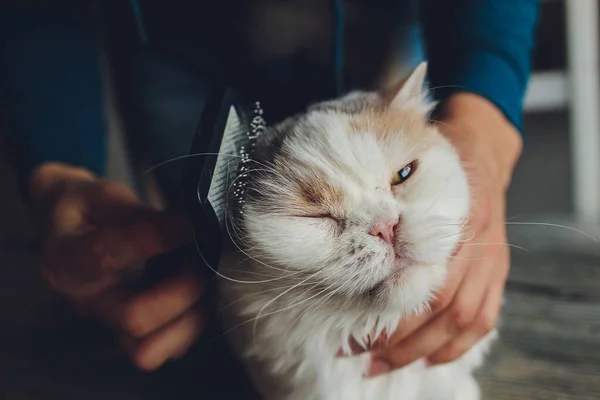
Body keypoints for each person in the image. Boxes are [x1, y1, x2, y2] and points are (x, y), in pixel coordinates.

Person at [0, 0, 538, 381]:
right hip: (178, 40)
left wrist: (482, 127)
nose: (384, 225)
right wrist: (56, 170)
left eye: (402, 178)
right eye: (320, 217)